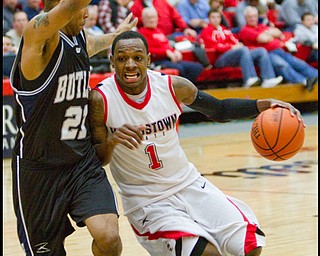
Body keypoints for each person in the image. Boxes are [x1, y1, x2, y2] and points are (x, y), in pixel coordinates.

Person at [89, 30, 304, 256]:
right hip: (147, 200)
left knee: (250, 246)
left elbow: (219, 110)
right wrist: (112, 141)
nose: (130, 65)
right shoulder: (101, 99)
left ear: (149, 60)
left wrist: (263, 104)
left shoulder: (174, 86)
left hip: (188, 184)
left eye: (138, 58)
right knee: (207, 254)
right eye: (122, 59)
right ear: (112, 61)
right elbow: (98, 159)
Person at [9, 0, 137, 254]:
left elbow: (91, 43)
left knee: (109, 238)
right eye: (81, 9)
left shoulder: (77, 37)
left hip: (81, 163)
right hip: (40, 170)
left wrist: (116, 35)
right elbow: (70, 6)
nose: (88, 13)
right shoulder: (39, 36)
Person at [239, 6, 318, 91]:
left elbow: (279, 32)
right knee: (283, 66)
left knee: (299, 63)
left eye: (254, 16)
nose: (252, 19)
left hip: (279, 50)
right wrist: (269, 34)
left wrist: (267, 34)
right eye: (250, 17)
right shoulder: (245, 30)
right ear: (245, 18)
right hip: (267, 55)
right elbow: (264, 39)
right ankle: (303, 81)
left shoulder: (261, 26)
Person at [199, 8, 283, 88]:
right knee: (243, 50)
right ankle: (249, 79)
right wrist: (232, 47)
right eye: (213, 17)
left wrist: (236, 45)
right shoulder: (206, 31)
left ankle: (268, 79)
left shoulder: (225, 29)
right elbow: (214, 47)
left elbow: (234, 41)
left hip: (232, 55)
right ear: (209, 18)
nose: (216, 19)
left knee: (261, 51)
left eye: (218, 17)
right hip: (219, 59)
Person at [139, 7, 209, 83]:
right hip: (157, 62)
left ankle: (187, 88)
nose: (152, 20)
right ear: (143, 19)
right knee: (179, 69)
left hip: (170, 60)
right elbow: (147, 51)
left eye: (153, 17)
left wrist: (174, 51)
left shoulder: (159, 31)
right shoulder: (142, 33)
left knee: (197, 67)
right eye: (149, 18)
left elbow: (167, 46)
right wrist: (166, 52)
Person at [130, 0, 197, 40]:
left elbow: (176, 16)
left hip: (171, 35)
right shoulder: (135, 6)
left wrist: (185, 28)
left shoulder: (162, 1)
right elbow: (136, 25)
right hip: (153, 39)